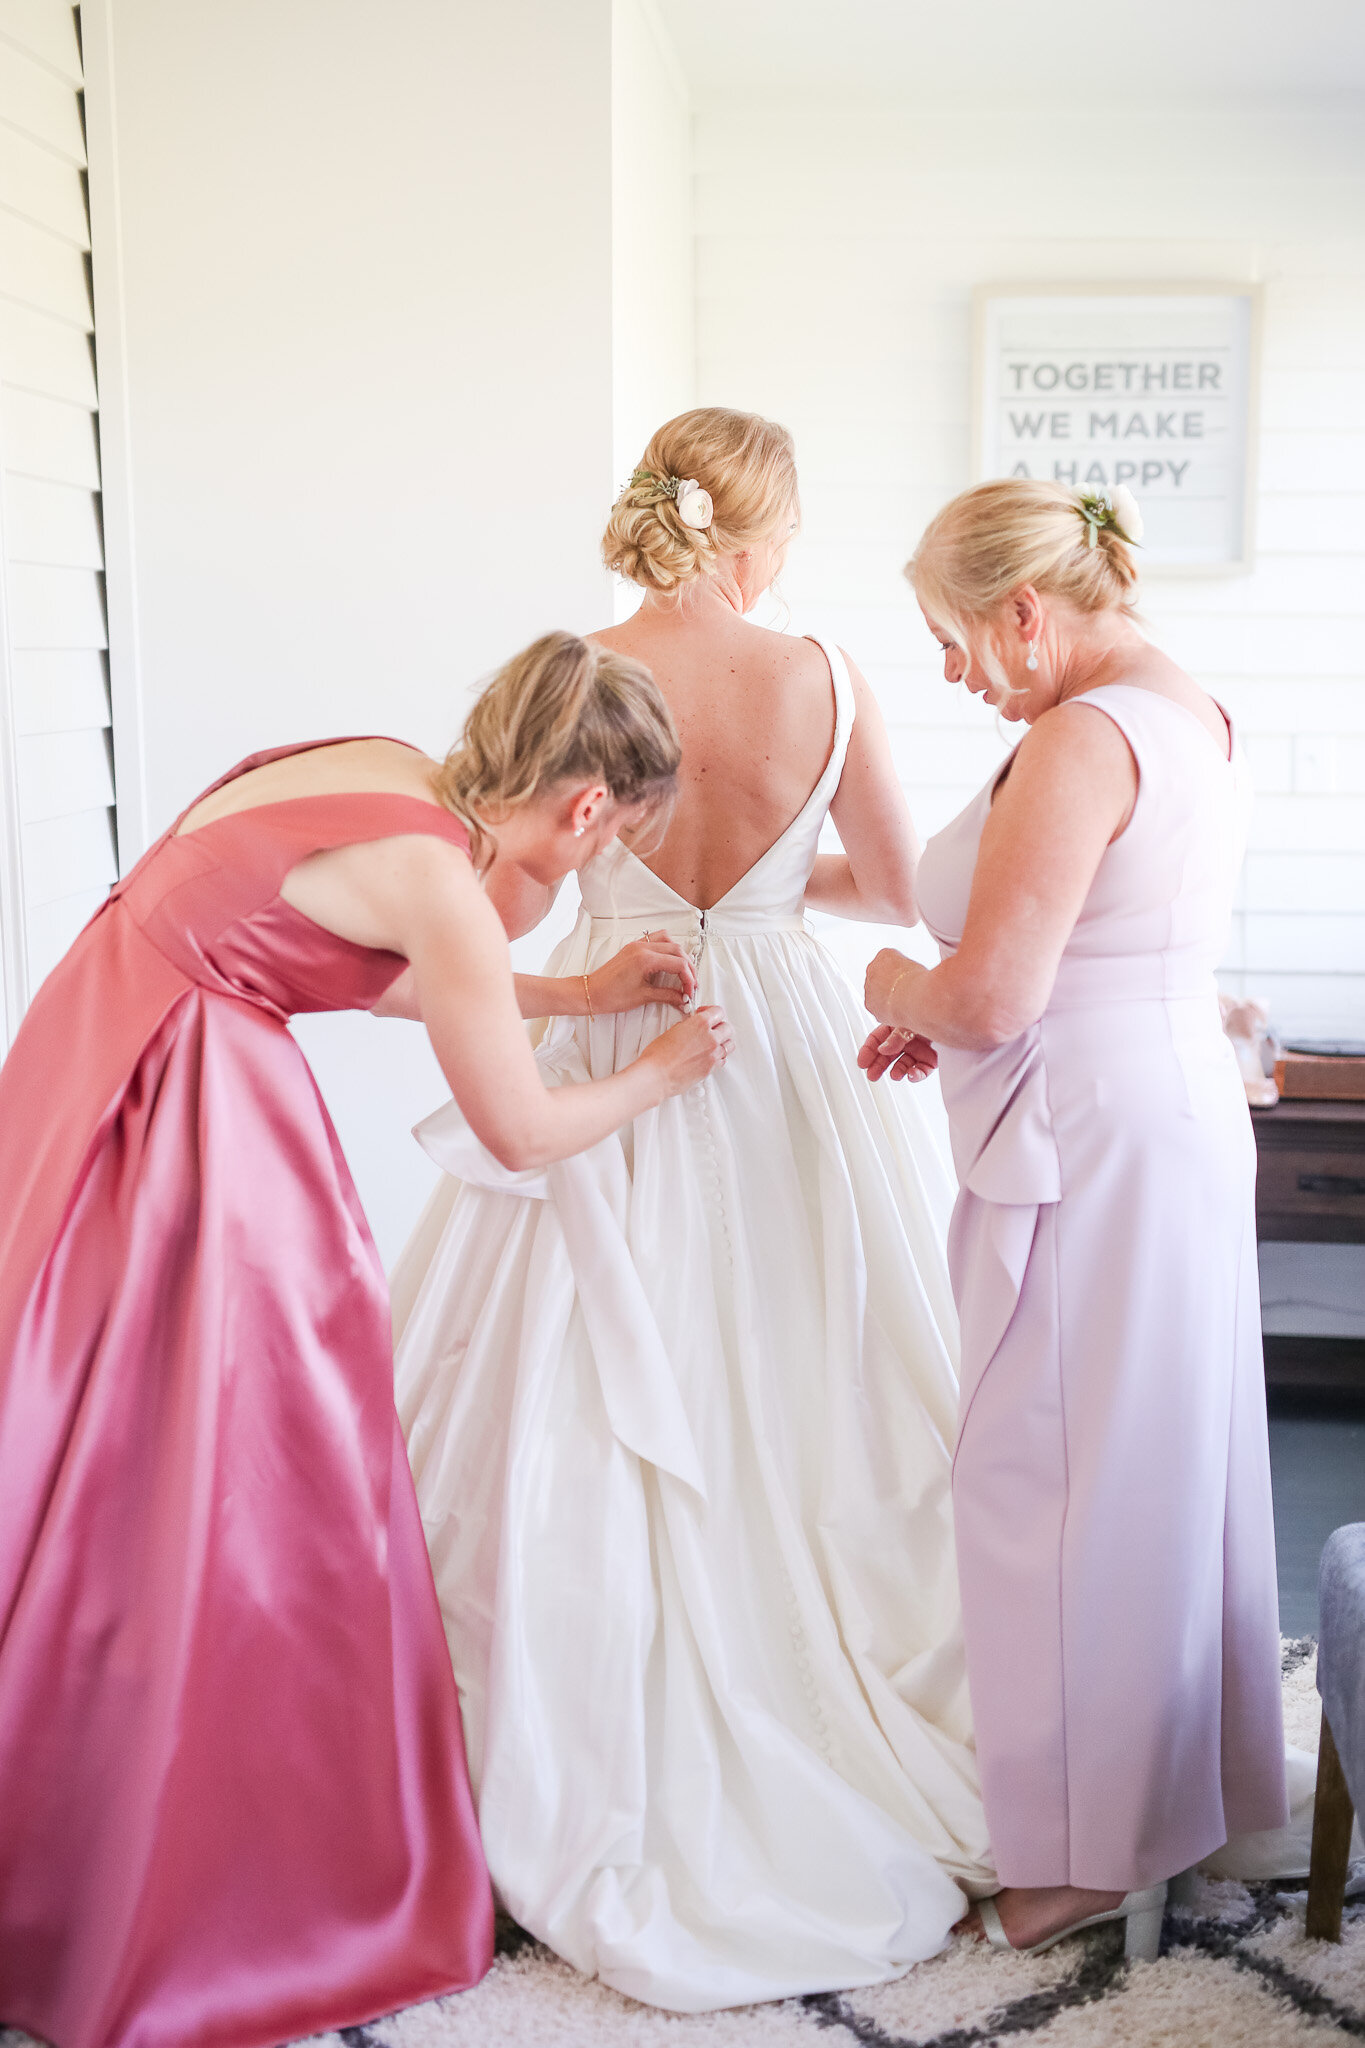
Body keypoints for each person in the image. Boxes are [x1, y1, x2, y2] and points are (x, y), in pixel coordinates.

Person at [0, 631, 729, 2048]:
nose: (580, 870)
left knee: (93, 1443)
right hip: (193, 1103)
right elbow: (517, 1129)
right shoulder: (452, 886)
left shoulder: (393, 775)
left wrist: (575, 996)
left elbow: (348, 966)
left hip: (95, 1050)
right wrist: (658, 1071)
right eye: (601, 846)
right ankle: (213, 1874)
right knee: (257, 1467)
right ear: (584, 810)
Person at [391, 408, 995, 2014]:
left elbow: (505, 894)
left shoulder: (581, 671)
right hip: (783, 1038)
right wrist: (776, 877)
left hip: (612, 1012)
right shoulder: (825, 672)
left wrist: (630, 904)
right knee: (826, 1358)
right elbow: (892, 877)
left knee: (561, 1377)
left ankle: (533, 1730)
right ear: (760, 531)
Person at [861, 479, 1288, 1959]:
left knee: (1051, 1478)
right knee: (1165, 1461)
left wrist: (890, 991)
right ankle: (1195, 1792)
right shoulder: (1189, 710)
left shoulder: (1074, 737)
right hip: (1160, 1105)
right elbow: (1088, 948)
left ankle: (1086, 1848)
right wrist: (972, 1000)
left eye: (949, 637)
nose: (949, 671)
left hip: (1085, 1136)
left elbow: (989, 991)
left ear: (1022, 613)